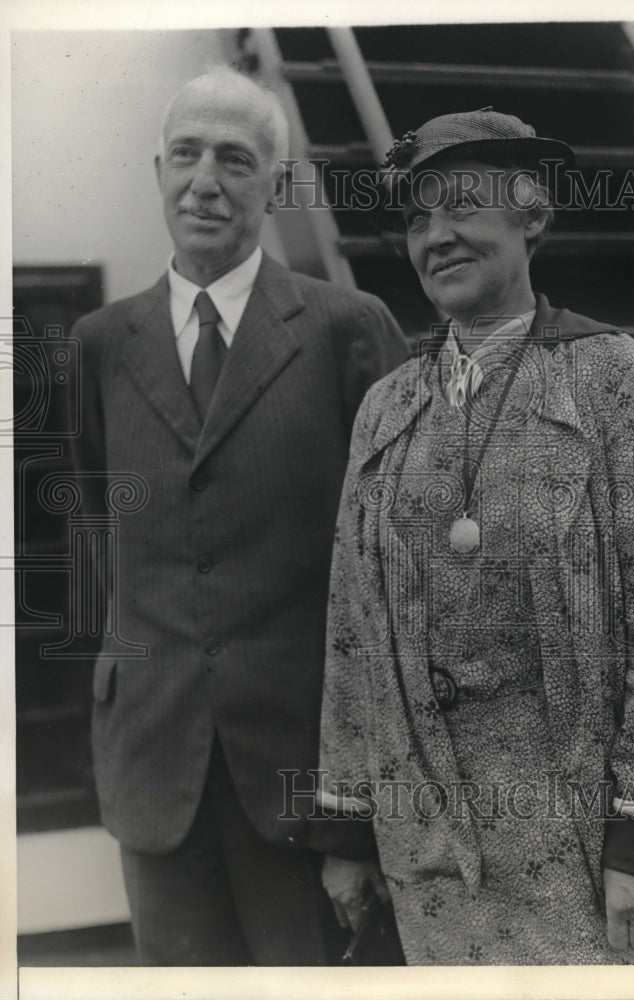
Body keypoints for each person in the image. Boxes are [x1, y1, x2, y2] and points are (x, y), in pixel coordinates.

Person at [319, 107, 634, 964]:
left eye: (463, 205)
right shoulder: (387, 408)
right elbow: (351, 628)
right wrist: (346, 830)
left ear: (532, 215)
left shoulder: (613, 379)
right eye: (417, 219)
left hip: (576, 857)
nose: (437, 236)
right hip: (430, 863)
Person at [68, 67, 407, 966]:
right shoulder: (98, 345)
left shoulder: (348, 328)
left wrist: (359, 814)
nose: (205, 181)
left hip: (307, 781)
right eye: (186, 155)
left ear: (278, 184)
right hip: (154, 768)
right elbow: (96, 533)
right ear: (158, 172)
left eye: (235, 159)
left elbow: (398, 579)